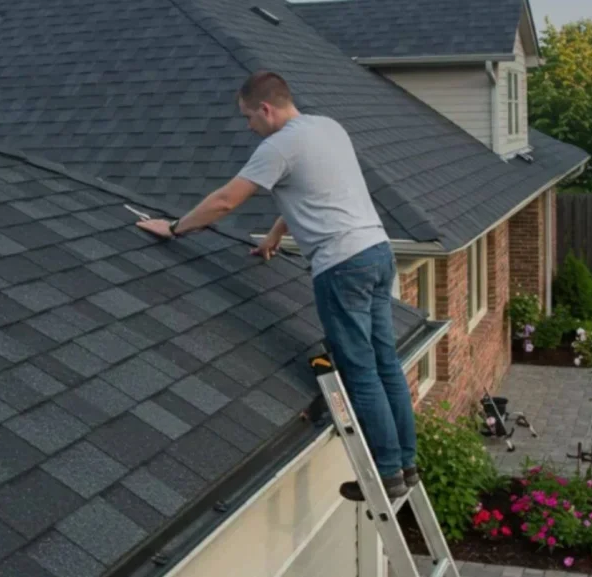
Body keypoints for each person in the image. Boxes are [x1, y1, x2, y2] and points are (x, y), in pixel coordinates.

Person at [136, 70, 418, 500]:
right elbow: (317, 190)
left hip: (341, 267)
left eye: (249, 117)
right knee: (385, 364)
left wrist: (175, 227)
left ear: (266, 109)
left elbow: (226, 201)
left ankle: (385, 473)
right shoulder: (328, 127)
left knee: (360, 371)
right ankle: (406, 465)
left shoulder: (278, 146)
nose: (248, 127)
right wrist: (274, 235)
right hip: (377, 254)